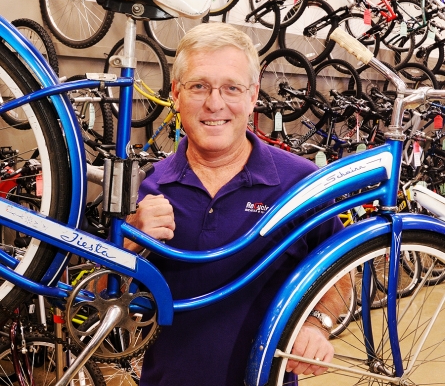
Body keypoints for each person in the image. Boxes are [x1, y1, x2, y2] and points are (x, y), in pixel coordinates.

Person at [126, 22, 348, 386]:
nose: (215, 103)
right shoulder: (148, 185)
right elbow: (101, 296)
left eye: (231, 87)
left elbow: (340, 271)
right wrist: (131, 238)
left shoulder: (301, 182)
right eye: (199, 86)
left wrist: (317, 323)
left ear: (252, 96)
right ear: (176, 95)